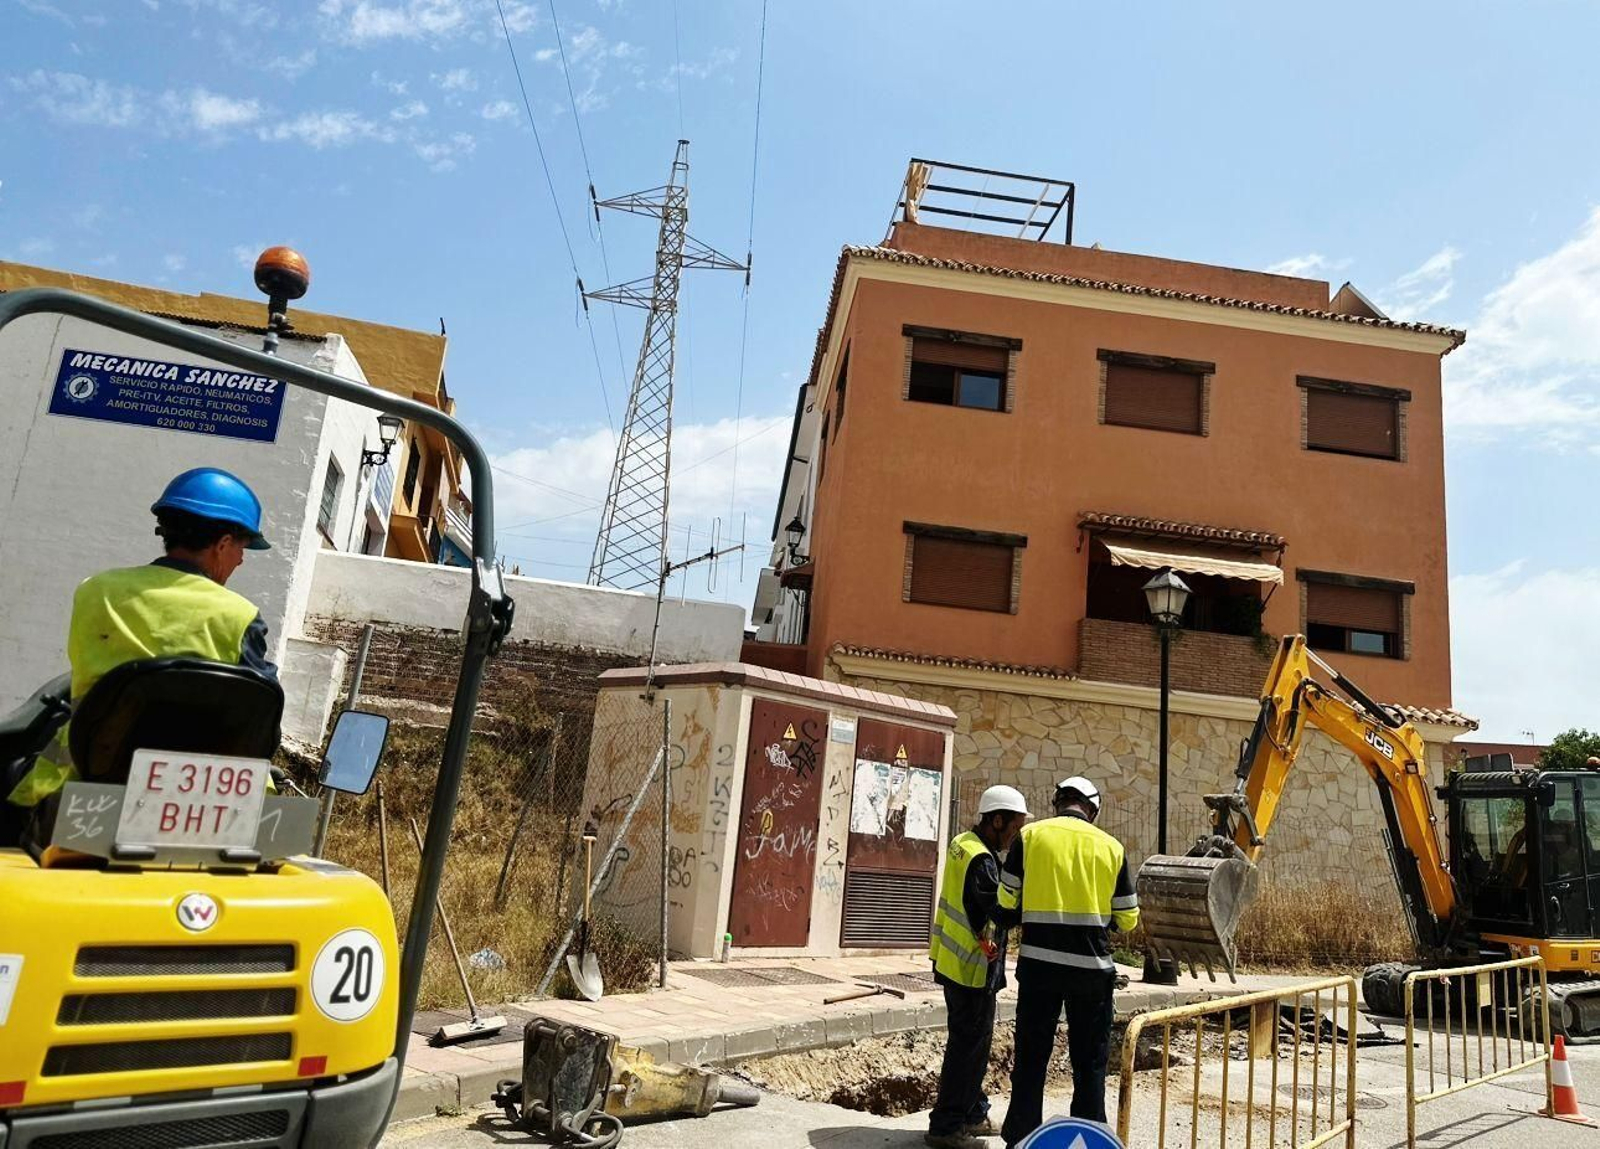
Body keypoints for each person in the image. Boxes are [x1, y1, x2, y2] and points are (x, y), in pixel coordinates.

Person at [5, 467, 277, 812]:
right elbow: (260, 721)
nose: (241, 559)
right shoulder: (240, 615)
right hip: (199, 808)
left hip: (74, 795)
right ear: (222, 544)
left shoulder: (96, 591)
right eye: (243, 548)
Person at [998, 775, 1138, 1144]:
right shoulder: (1111, 847)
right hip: (1091, 974)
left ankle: (1020, 1137)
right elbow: (1127, 917)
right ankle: (1090, 1139)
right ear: (1092, 809)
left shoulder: (1030, 837)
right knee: (1090, 1066)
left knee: (1031, 1058)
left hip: (1039, 968)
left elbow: (1007, 898)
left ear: (1058, 802)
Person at [925, 784, 1030, 1149]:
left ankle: (972, 1112)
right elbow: (999, 911)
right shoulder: (982, 861)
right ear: (996, 820)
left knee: (973, 1043)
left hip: (953, 962)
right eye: (1014, 828)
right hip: (970, 968)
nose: (1015, 837)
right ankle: (946, 1126)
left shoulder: (963, 843)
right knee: (968, 1047)